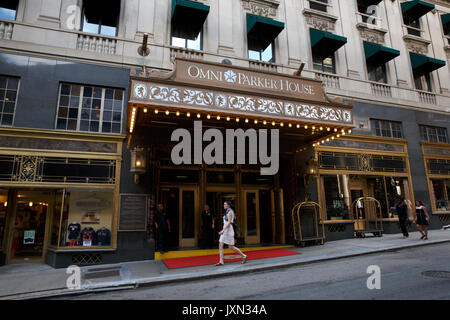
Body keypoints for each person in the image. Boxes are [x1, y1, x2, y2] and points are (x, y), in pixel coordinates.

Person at [215, 201, 247, 266]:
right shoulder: (227, 211)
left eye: (225, 204)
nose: (223, 205)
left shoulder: (230, 212)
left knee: (231, 247)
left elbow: (229, 223)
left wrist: (222, 230)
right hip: (225, 230)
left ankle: (244, 256)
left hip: (228, 230)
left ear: (228, 205)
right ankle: (221, 261)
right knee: (220, 244)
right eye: (223, 204)